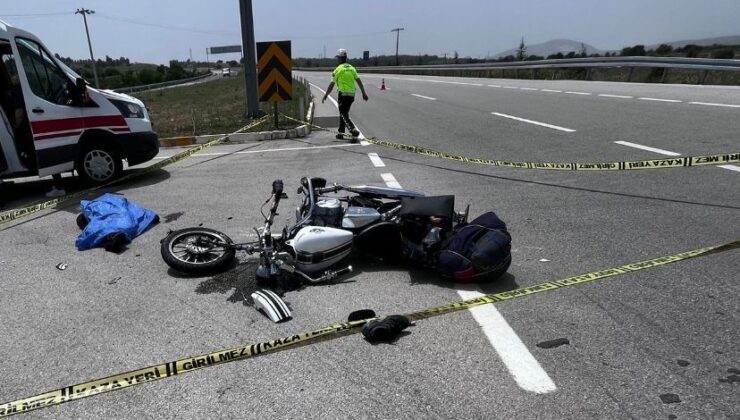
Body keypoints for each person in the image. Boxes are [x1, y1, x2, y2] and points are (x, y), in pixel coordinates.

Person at [322, 48, 368, 141]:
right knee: (343, 113)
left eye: (337, 58)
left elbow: (332, 84)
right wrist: (363, 93)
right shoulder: (352, 68)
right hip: (351, 95)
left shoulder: (338, 69)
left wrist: (326, 94)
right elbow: (359, 81)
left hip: (343, 95)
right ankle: (341, 133)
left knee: (343, 114)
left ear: (340, 58)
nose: (337, 59)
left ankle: (353, 130)